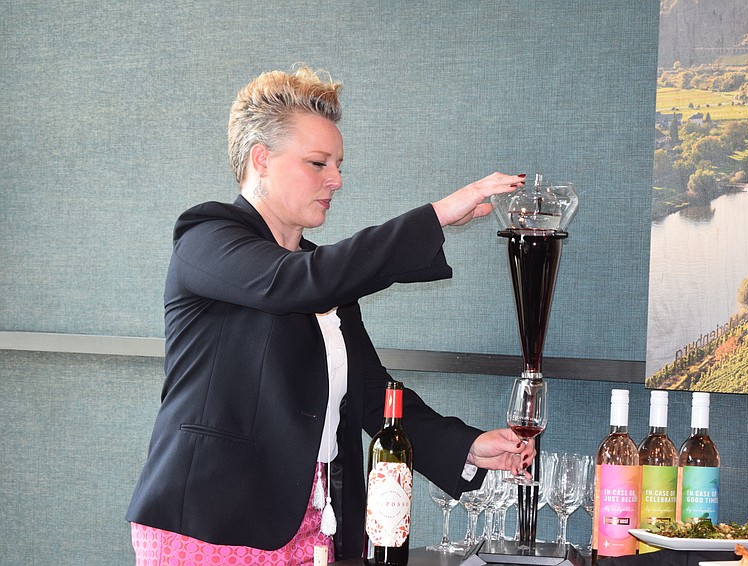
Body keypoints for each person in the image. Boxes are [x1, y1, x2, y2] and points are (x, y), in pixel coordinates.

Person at [126, 65, 534, 565]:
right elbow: (299, 283)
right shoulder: (207, 239)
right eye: (318, 163)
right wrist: (438, 215)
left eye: (338, 164)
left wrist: (465, 445)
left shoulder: (325, 275)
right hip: (212, 524)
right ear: (262, 160)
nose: (336, 179)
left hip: (319, 522)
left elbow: (368, 393)